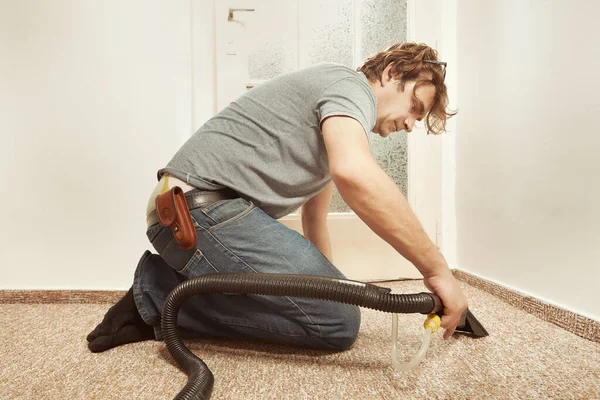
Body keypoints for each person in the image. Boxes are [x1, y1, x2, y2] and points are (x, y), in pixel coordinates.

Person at [86, 42, 468, 353]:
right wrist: (437, 271)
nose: (411, 124)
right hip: (197, 211)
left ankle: (170, 289)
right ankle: (156, 295)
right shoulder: (350, 87)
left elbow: (314, 221)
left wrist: (329, 287)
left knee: (333, 312)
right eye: (415, 108)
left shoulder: (333, 123)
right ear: (391, 74)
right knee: (339, 323)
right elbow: (355, 174)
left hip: (196, 212)